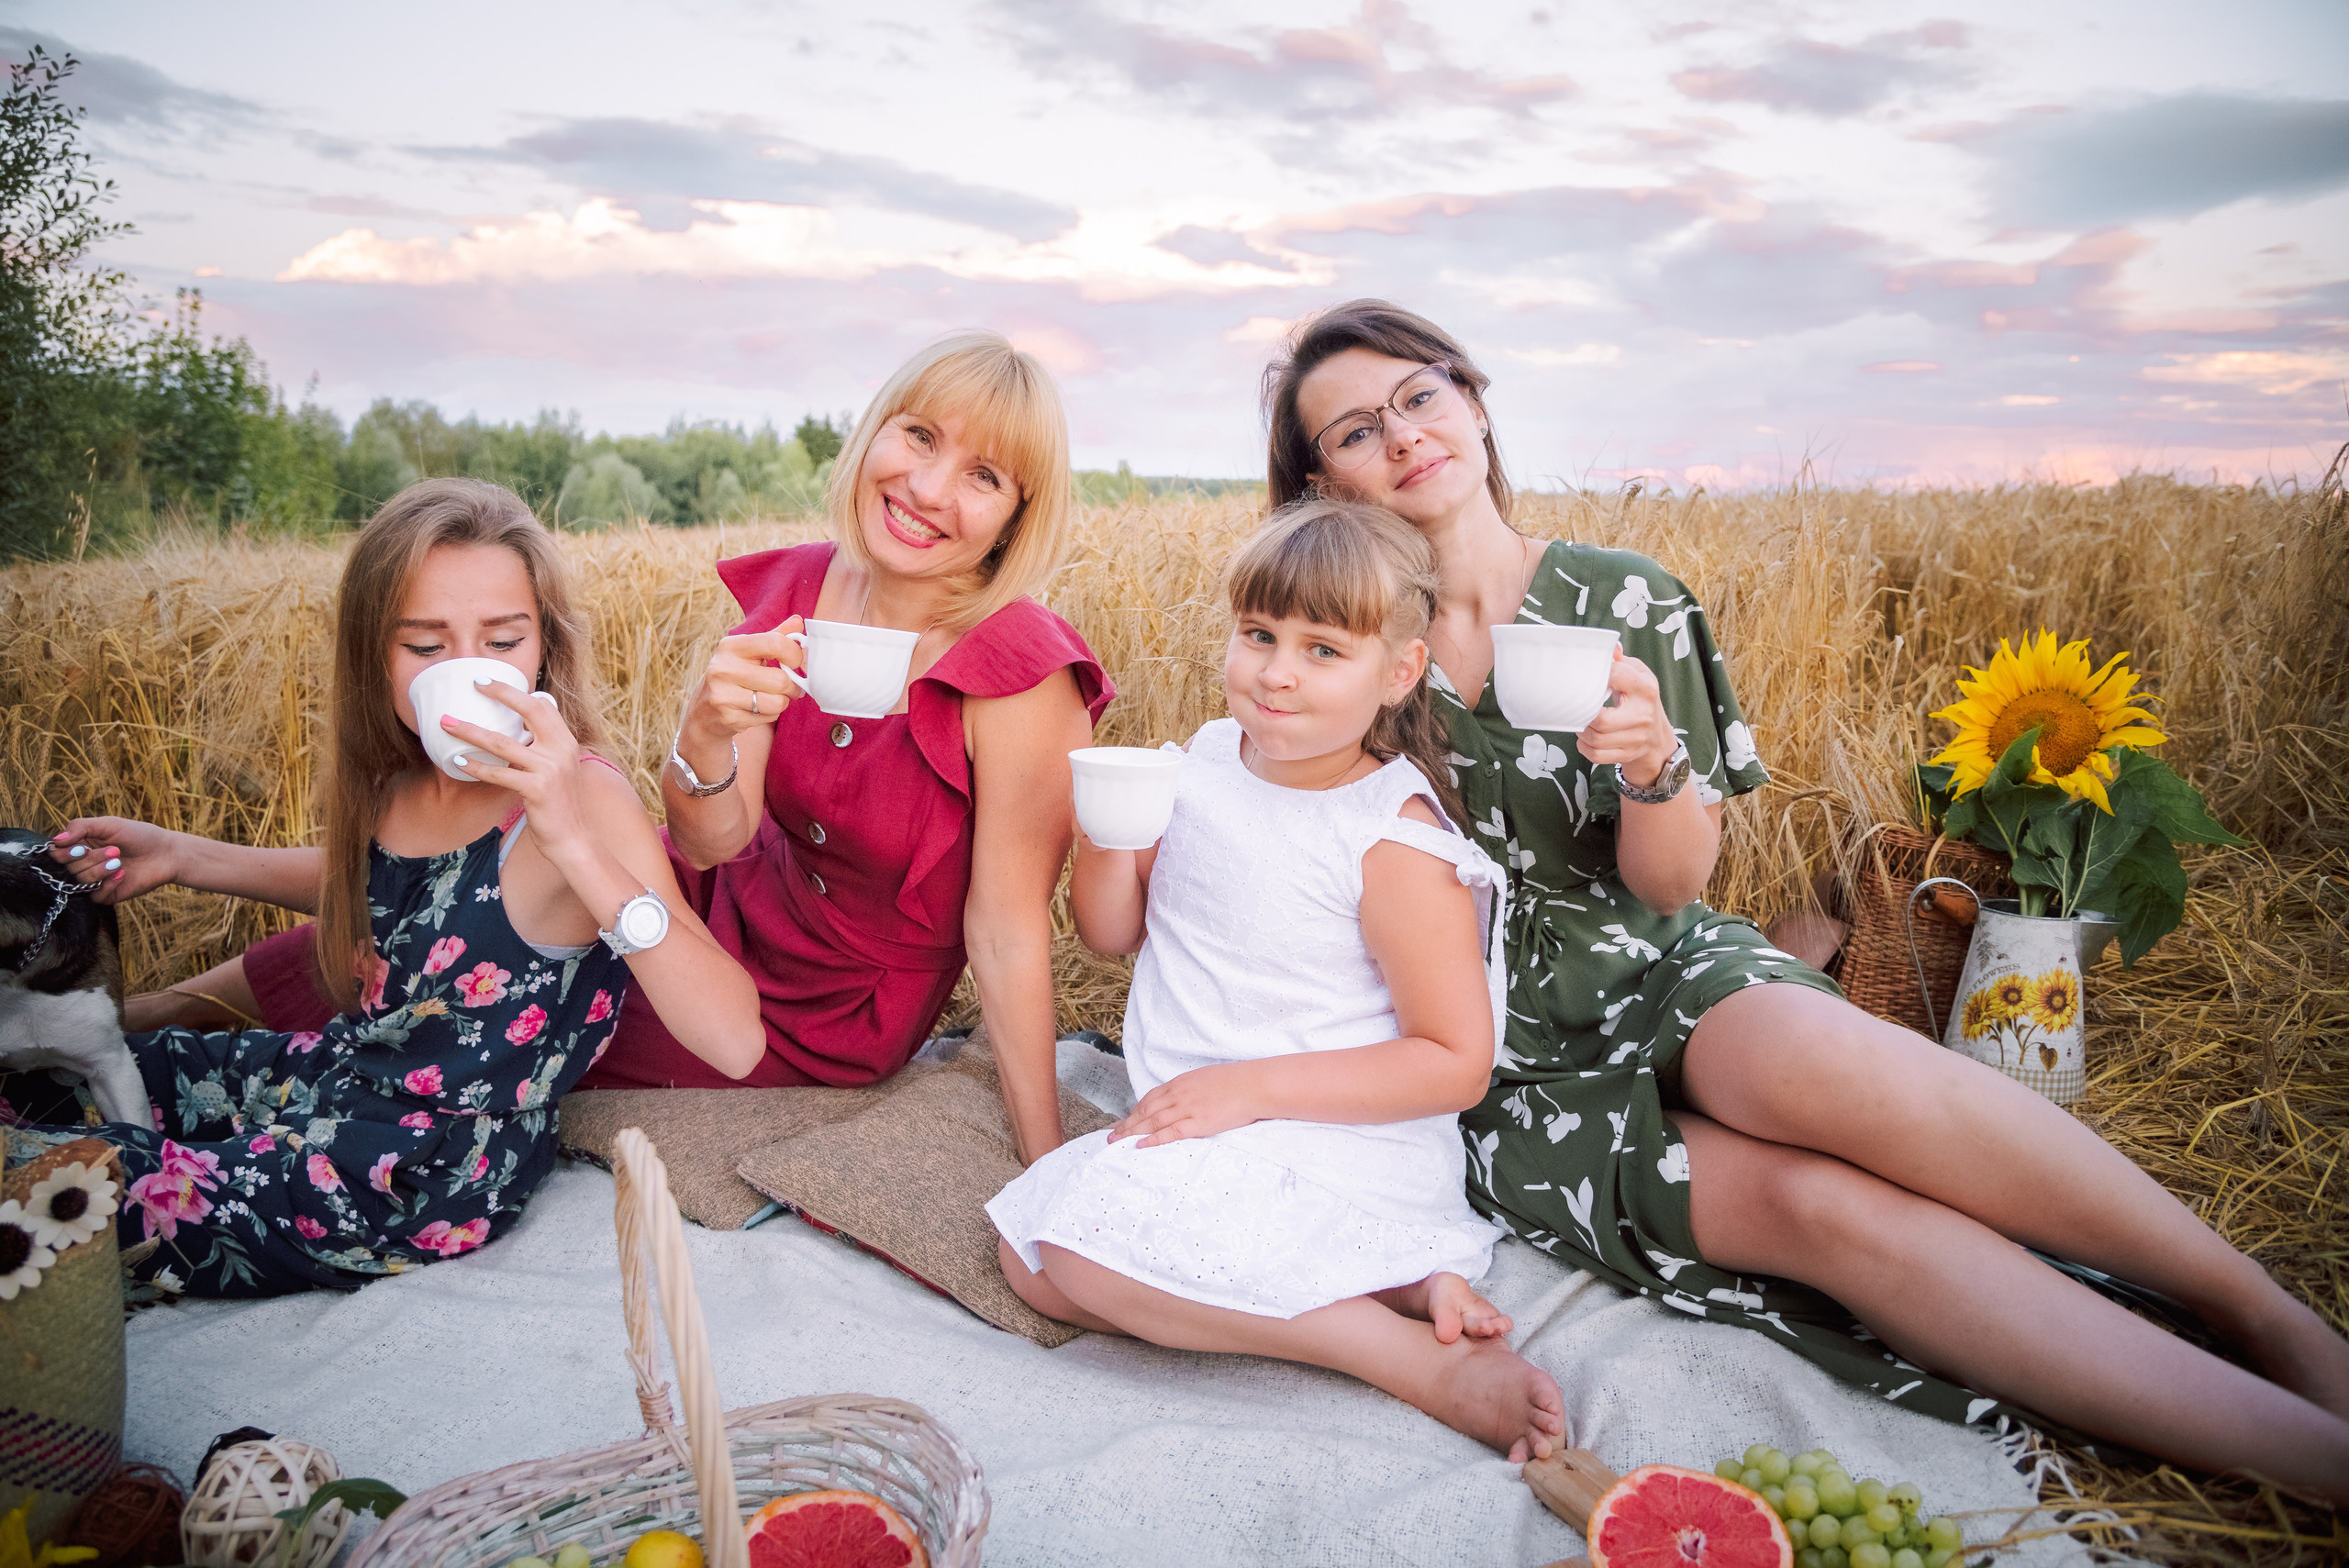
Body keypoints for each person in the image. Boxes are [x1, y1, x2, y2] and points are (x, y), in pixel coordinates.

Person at [1255, 298, 2349, 1499]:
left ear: (1469, 397)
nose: (1404, 435)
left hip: (1655, 955)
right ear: (1325, 480)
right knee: (1822, 1212)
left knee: (1827, 1065)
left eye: (1420, 395)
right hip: (1484, 1052)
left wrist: (1659, 764)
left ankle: (2259, 1310)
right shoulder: (1337, 652)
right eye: (1357, 430)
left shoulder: (1628, 599)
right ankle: (2307, 1455)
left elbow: (1674, 886)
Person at [161, 331, 1112, 1165]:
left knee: (474, 975)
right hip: (704, 899)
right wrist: (704, 735)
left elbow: (1006, 926)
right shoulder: (807, 588)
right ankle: (137, 1021)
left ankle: (174, 1074)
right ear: (876, 431)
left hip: (815, 1006)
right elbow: (709, 843)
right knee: (461, 899)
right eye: (919, 435)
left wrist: (1044, 1158)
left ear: (1017, 515)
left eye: (984, 476)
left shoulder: (1020, 675)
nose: (930, 487)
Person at [35, 479, 763, 1296]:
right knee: (76, 1073)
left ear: (544, 648)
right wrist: (187, 854)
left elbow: (735, 1039)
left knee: (71, 1185)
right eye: (425, 646)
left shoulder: (582, 795)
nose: (468, 673)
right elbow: (407, 892)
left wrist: (573, 842)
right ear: (375, 658)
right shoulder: (402, 777)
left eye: (503, 641)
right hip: (346, 1074)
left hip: (421, 1170)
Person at [990, 499, 1567, 1463]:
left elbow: (1454, 1062)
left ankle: (1403, 1359)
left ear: (1398, 671)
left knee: (1070, 1251)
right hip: (1214, 1125)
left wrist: (1245, 1089)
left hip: (1334, 1137)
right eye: (1258, 633)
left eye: (1322, 649)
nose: (1275, 670)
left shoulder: (1391, 837)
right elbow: (1110, 932)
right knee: (1030, 1259)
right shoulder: (1207, 762)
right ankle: (1380, 1288)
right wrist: (1105, 833)